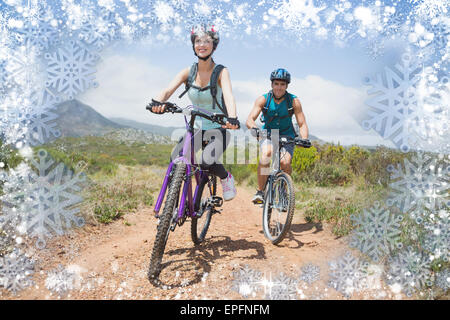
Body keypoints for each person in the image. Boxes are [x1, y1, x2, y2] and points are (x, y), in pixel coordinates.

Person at [149, 25, 240, 201]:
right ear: (193, 45)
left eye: (207, 41)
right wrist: (157, 103)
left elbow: (229, 95)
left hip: (217, 129)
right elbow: (168, 90)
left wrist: (232, 117)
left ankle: (225, 177)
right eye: (198, 41)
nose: (202, 45)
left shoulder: (221, 71)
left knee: (207, 161)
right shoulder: (188, 72)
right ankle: (173, 202)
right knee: (175, 157)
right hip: (195, 128)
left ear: (214, 45)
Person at [246, 68, 309, 204]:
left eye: (282, 84)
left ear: (286, 86)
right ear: (272, 84)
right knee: (267, 154)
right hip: (268, 133)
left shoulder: (293, 101)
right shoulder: (263, 99)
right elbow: (249, 119)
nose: (279, 87)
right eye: (276, 84)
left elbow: (302, 123)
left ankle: (283, 190)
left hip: (288, 134)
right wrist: (255, 129)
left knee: (285, 162)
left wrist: (304, 139)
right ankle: (260, 191)